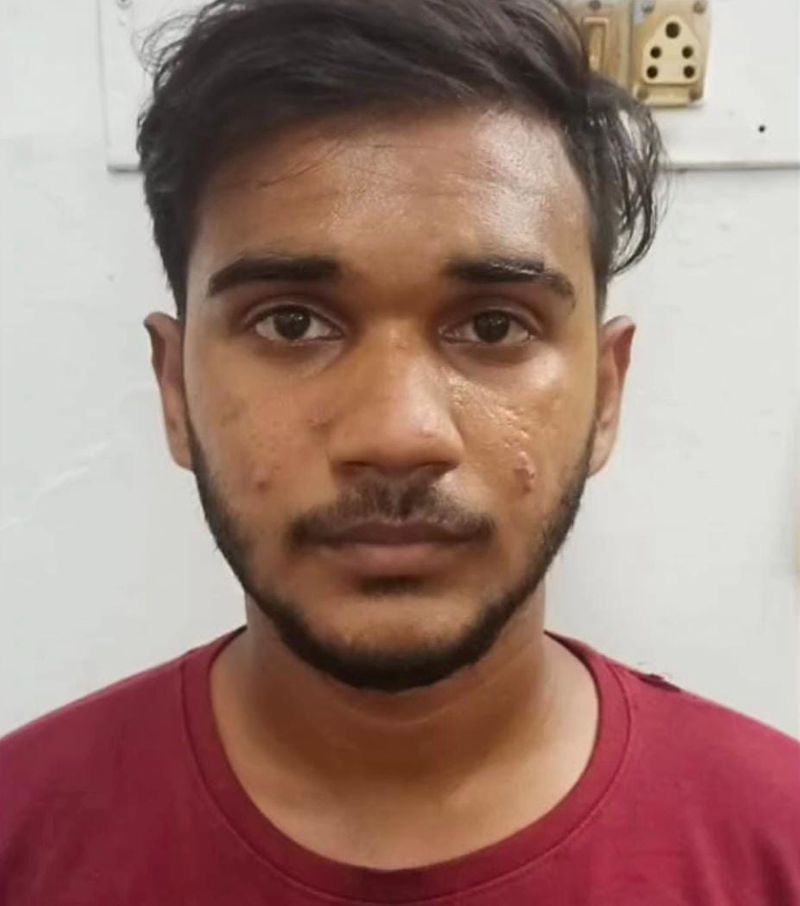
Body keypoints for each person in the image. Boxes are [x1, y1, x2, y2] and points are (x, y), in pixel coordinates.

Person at [2, 0, 799, 902]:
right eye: (291, 323)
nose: (396, 434)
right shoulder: (20, 835)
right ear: (176, 390)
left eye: (493, 326)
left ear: (606, 396)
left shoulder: (779, 846)